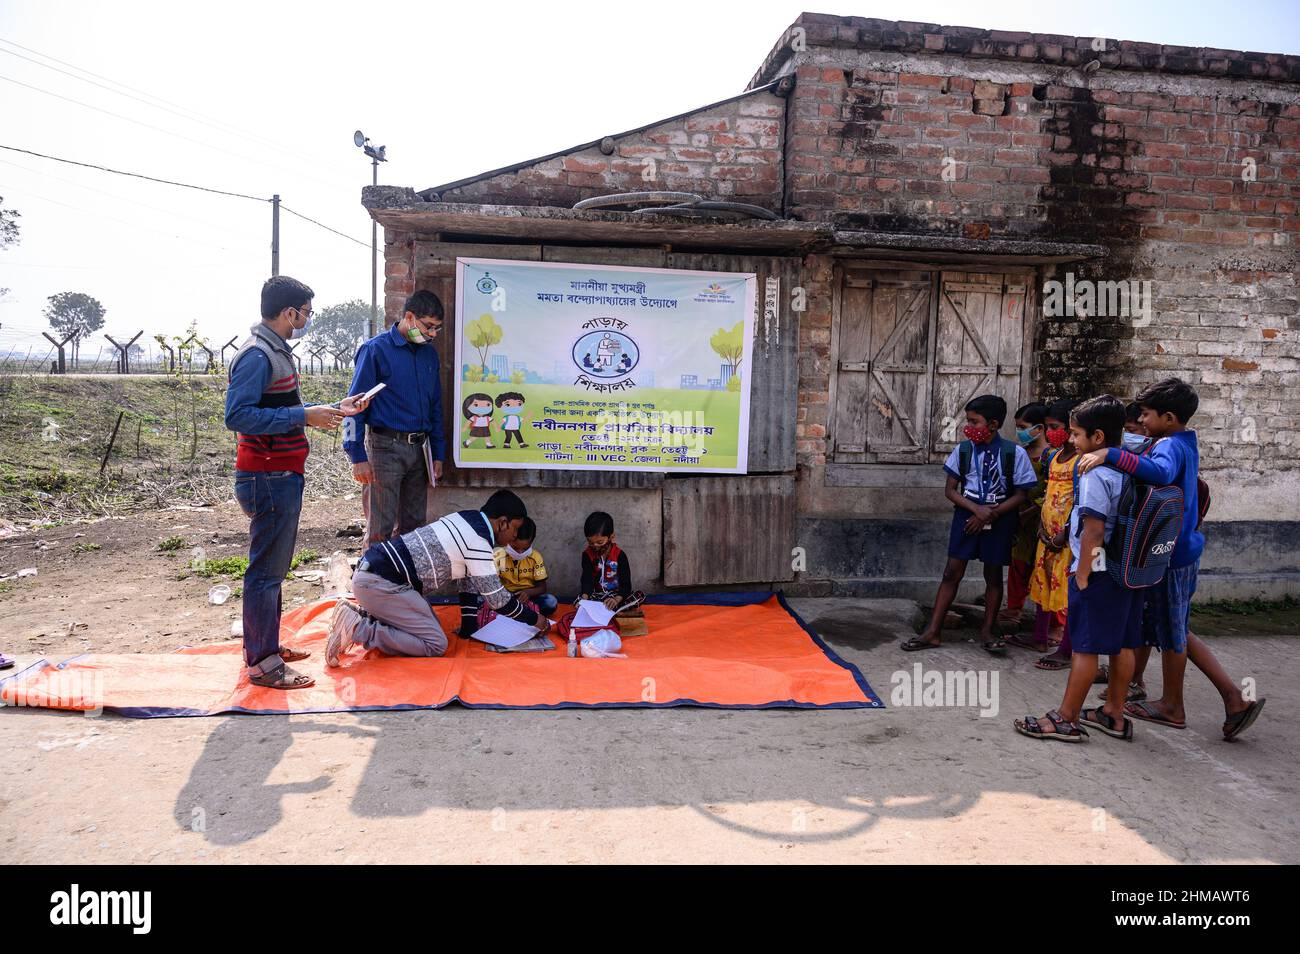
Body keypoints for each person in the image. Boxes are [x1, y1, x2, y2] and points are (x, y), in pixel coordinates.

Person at [1077, 378, 1265, 740]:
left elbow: (1160, 471)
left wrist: (1108, 454)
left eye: (1146, 415)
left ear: (1168, 417)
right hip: (1180, 549)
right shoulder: (1181, 441)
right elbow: (1138, 443)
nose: (1142, 421)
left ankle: (1178, 705)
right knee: (1172, 625)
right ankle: (1223, 697)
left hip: (1171, 553)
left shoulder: (1170, 448)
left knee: (1176, 632)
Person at [225, 275, 368, 690]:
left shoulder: (274, 353)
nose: (307, 319)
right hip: (267, 474)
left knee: (273, 568)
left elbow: (279, 405)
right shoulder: (257, 355)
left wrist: (329, 409)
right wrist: (303, 416)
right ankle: (262, 662)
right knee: (265, 573)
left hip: (280, 472)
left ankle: (266, 645)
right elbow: (238, 416)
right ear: (289, 312)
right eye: (305, 312)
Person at [1014, 395, 1143, 743]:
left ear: (1097, 437)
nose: (1071, 441)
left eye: (1075, 434)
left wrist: (1082, 573)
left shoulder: (1093, 472)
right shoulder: (1131, 464)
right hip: (1125, 567)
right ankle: (1114, 714)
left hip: (1096, 568)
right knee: (1124, 644)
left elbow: (1094, 530)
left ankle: (1065, 718)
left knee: (1085, 647)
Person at [326, 490, 549, 664]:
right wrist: (535, 620)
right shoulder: (479, 542)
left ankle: (361, 614)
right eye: (514, 529)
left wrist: (469, 626)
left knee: (427, 627)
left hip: (377, 577)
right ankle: (358, 628)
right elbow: (498, 600)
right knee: (435, 643)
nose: (514, 537)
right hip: (381, 584)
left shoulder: (466, 518)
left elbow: (469, 578)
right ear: (502, 522)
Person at [902, 394, 1037, 655]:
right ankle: (932, 631)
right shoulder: (962, 451)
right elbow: (951, 490)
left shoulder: (1014, 453)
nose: (969, 427)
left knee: (993, 575)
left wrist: (990, 514)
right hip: (967, 514)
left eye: (974, 422)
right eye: (968, 421)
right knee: (952, 572)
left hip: (1000, 517)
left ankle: (987, 630)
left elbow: (1021, 494)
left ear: (994, 425)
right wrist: (976, 510)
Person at [344, 290, 446, 546]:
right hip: (384, 449)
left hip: (420, 450)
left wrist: (438, 454)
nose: (433, 334)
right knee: (381, 529)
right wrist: (357, 456)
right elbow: (352, 408)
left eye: (437, 329)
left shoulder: (429, 355)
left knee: (413, 529)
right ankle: (373, 584)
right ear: (410, 317)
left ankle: (402, 584)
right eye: (429, 326)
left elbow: (435, 407)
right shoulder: (375, 351)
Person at [1023, 399, 1078, 667]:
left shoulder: (1082, 461)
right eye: (1047, 427)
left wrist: (1064, 534)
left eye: (1055, 427)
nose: (1049, 433)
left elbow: (1080, 502)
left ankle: (1066, 649)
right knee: (1042, 582)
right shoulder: (1053, 456)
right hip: (1047, 534)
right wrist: (1043, 529)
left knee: (1066, 593)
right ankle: (1039, 636)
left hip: (1067, 539)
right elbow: (1048, 495)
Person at [1002, 401, 1049, 636]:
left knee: (1043, 569)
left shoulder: (1051, 456)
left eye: (1023, 426)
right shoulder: (1019, 453)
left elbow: (1051, 493)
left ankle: (1051, 621)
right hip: (1019, 518)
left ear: (1039, 429)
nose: (1019, 431)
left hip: (1042, 519)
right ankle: (1013, 609)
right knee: (1017, 564)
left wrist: (1029, 512)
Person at [493, 516, 557, 614]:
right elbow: (494, 584)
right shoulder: (500, 556)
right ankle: (521, 612)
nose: (519, 552)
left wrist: (528, 593)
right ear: (510, 538)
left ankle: (517, 612)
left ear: (531, 543)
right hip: (505, 597)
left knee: (551, 602)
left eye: (525, 549)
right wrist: (506, 596)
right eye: (515, 548)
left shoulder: (535, 558)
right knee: (481, 600)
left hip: (528, 598)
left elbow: (542, 588)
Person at [578, 511, 635, 610]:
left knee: (638, 596)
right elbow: (587, 580)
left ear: (611, 537)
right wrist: (584, 599)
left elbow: (626, 583)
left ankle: (614, 606)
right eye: (590, 542)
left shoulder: (620, 555)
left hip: (616, 595)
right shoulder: (587, 555)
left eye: (600, 542)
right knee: (579, 602)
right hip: (596, 595)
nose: (595, 546)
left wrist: (616, 599)